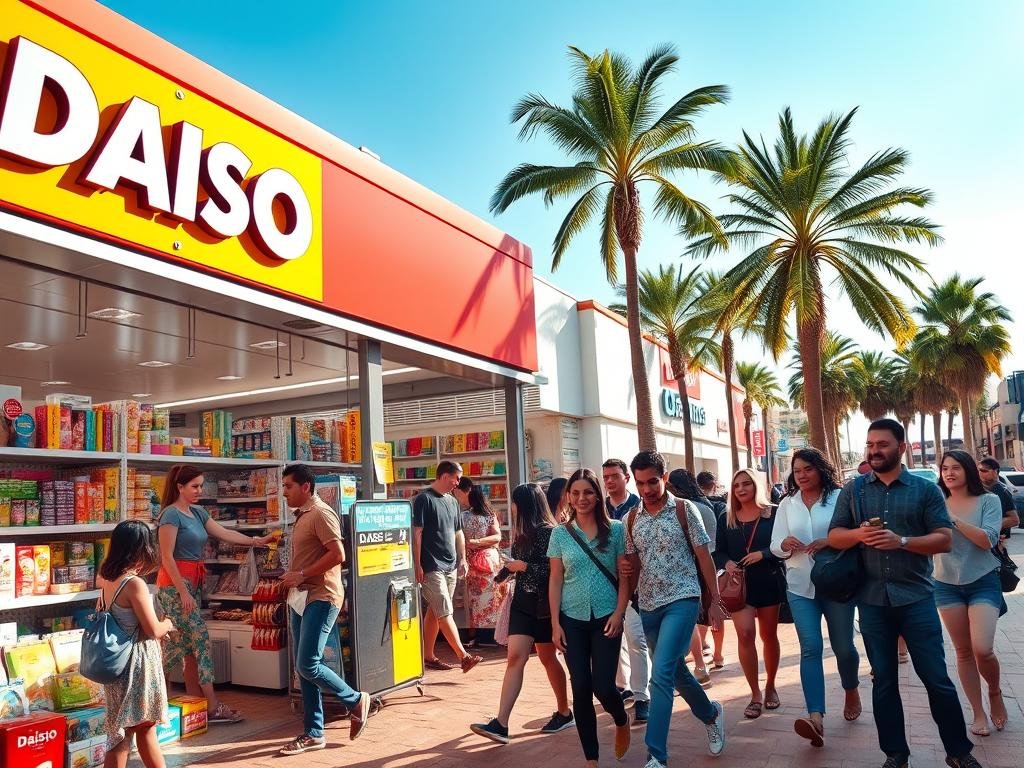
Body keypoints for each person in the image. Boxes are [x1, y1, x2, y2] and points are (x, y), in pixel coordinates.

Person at [828, 419, 979, 768]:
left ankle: (958, 751)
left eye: (882, 444)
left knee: (937, 680)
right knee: (883, 682)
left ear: (902, 447)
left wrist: (903, 542)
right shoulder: (855, 490)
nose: (874, 450)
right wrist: (858, 536)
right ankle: (895, 754)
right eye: (870, 444)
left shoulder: (925, 490)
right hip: (870, 601)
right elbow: (835, 535)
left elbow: (944, 538)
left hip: (916, 599)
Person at [624, 452, 727, 768]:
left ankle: (656, 755)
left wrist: (715, 600)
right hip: (648, 605)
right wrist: (624, 603)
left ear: (664, 476)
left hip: (683, 599)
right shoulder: (631, 518)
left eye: (652, 481)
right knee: (676, 671)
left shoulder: (685, 509)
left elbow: (704, 557)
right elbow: (634, 564)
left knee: (662, 674)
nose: (647, 489)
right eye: (640, 483)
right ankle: (710, 714)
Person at [156, 464, 274, 723]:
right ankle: (212, 705)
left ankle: (192, 705)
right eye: (194, 486)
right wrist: (183, 593)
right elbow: (166, 557)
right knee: (201, 641)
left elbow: (225, 533)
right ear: (180, 487)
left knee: (186, 648)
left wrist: (256, 541)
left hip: (193, 584)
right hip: (175, 587)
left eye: (201, 485)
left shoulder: (197, 513)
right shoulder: (170, 515)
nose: (200, 490)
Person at [770, 448, 861, 748]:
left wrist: (831, 541)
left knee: (844, 648)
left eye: (808, 469)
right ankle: (816, 717)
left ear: (821, 469)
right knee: (810, 648)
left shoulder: (840, 497)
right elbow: (774, 545)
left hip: (836, 583)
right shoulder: (787, 504)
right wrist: (784, 543)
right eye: (797, 471)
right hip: (799, 586)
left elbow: (854, 534)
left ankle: (851, 688)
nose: (802, 475)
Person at [278, 463, 371, 755]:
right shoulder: (302, 516)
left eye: (288, 487)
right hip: (301, 597)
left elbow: (338, 554)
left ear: (306, 486)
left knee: (307, 663)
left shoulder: (320, 513)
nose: (284, 493)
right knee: (303, 668)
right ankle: (314, 732)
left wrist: (302, 574)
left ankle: (354, 699)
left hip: (322, 596)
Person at [470, 483, 574, 743]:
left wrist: (523, 566)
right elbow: (516, 565)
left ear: (525, 505)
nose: (512, 508)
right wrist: (501, 576)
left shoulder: (550, 532)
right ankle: (501, 723)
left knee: (548, 659)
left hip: (544, 607)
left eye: (515, 502)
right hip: (523, 605)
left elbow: (555, 574)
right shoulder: (522, 533)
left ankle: (564, 711)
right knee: (515, 658)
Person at [548, 468, 632, 768]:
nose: (582, 498)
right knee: (580, 687)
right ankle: (591, 760)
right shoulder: (559, 533)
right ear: (568, 496)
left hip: (608, 616)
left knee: (604, 686)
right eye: (576, 493)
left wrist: (620, 613)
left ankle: (621, 718)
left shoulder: (618, 530)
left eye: (588, 492)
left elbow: (625, 577)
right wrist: (555, 624)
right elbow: (555, 579)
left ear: (598, 495)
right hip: (572, 618)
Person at [935, 451, 1008, 737]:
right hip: (944, 583)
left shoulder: (988, 500)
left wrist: (951, 519)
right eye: (944, 468)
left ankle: (995, 690)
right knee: (963, 651)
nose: (949, 473)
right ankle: (978, 714)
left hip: (982, 580)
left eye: (955, 468)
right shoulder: (934, 502)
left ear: (968, 470)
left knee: (982, 648)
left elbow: (987, 540)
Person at [97, 521, 174, 768]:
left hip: (117, 666)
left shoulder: (107, 579)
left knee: (122, 732)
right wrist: (169, 624)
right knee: (144, 727)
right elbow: (152, 629)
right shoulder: (134, 583)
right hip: (137, 664)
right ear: (141, 548)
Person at [714, 468, 785, 719]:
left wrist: (763, 554)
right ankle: (755, 694)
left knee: (769, 635)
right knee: (745, 634)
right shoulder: (726, 517)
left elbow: (783, 545)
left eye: (746, 484)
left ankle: (771, 685)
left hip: (768, 579)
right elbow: (718, 551)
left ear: (756, 485)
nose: (741, 489)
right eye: (736, 486)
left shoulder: (773, 513)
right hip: (738, 586)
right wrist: (727, 563)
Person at [413, 460, 483, 672]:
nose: (458, 482)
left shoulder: (452, 502)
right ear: (444, 476)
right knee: (444, 610)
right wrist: (417, 565)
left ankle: (427, 656)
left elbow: (458, 533)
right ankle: (464, 656)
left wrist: (462, 559)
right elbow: (417, 534)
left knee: (436, 611)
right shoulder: (423, 499)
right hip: (431, 565)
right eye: (456, 478)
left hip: (450, 565)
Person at [601, 458, 650, 723]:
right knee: (613, 640)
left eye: (614, 476)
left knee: (636, 640)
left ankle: (642, 696)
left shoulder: (640, 506)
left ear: (626, 478)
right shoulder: (600, 508)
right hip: (607, 586)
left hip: (636, 588)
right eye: (605, 476)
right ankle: (623, 687)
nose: (609, 481)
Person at [667, 468, 723, 682]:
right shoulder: (707, 506)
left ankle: (700, 664)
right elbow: (713, 545)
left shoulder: (685, 509)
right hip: (709, 567)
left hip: (689, 570)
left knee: (691, 619)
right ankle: (716, 654)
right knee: (713, 613)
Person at [461, 484, 506, 648]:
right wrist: (480, 542)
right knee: (492, 597)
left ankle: (473, 635)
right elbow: (497, 537)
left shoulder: (463, 516)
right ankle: (493, 634)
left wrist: (471, 543)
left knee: (473, 600)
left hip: (470, 562)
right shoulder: (489, 515)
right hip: (488, 561)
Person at [978, 457, 1020, 539]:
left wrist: (987, 526)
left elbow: (1014, 520)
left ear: (995, 471)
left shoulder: (1001, 491)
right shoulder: (980, 488)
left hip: (997, 539)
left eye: (984, 471)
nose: (979, 473)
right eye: (978, 470)